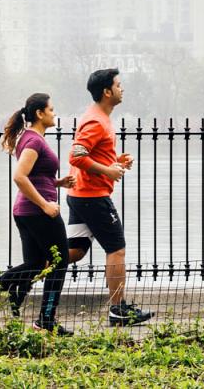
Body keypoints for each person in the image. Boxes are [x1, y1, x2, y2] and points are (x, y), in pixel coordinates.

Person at [0, 92, 75, 333]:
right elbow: (19, 177)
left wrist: (58, 183)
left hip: (26, 210)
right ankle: (46, 321)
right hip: (38, 211)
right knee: (59, 263)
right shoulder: (34, 141)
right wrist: (45, 205)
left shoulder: (31, 138)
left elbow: (34, 175)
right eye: (51, 110)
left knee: (35, 264)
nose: (54, 113)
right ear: (40, 114)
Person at [65, 68, 154, 326]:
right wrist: (108, 170)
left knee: (72, 252)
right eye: (118, 84)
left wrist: (115, 161)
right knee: (116, 249)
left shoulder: (100, 118)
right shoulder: (96, 120)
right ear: (107, 91)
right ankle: (118, 310)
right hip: (92, 196)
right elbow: (76, 156)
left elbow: (89, 154)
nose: (122, 88)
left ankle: (16, 281)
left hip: (81, 194)